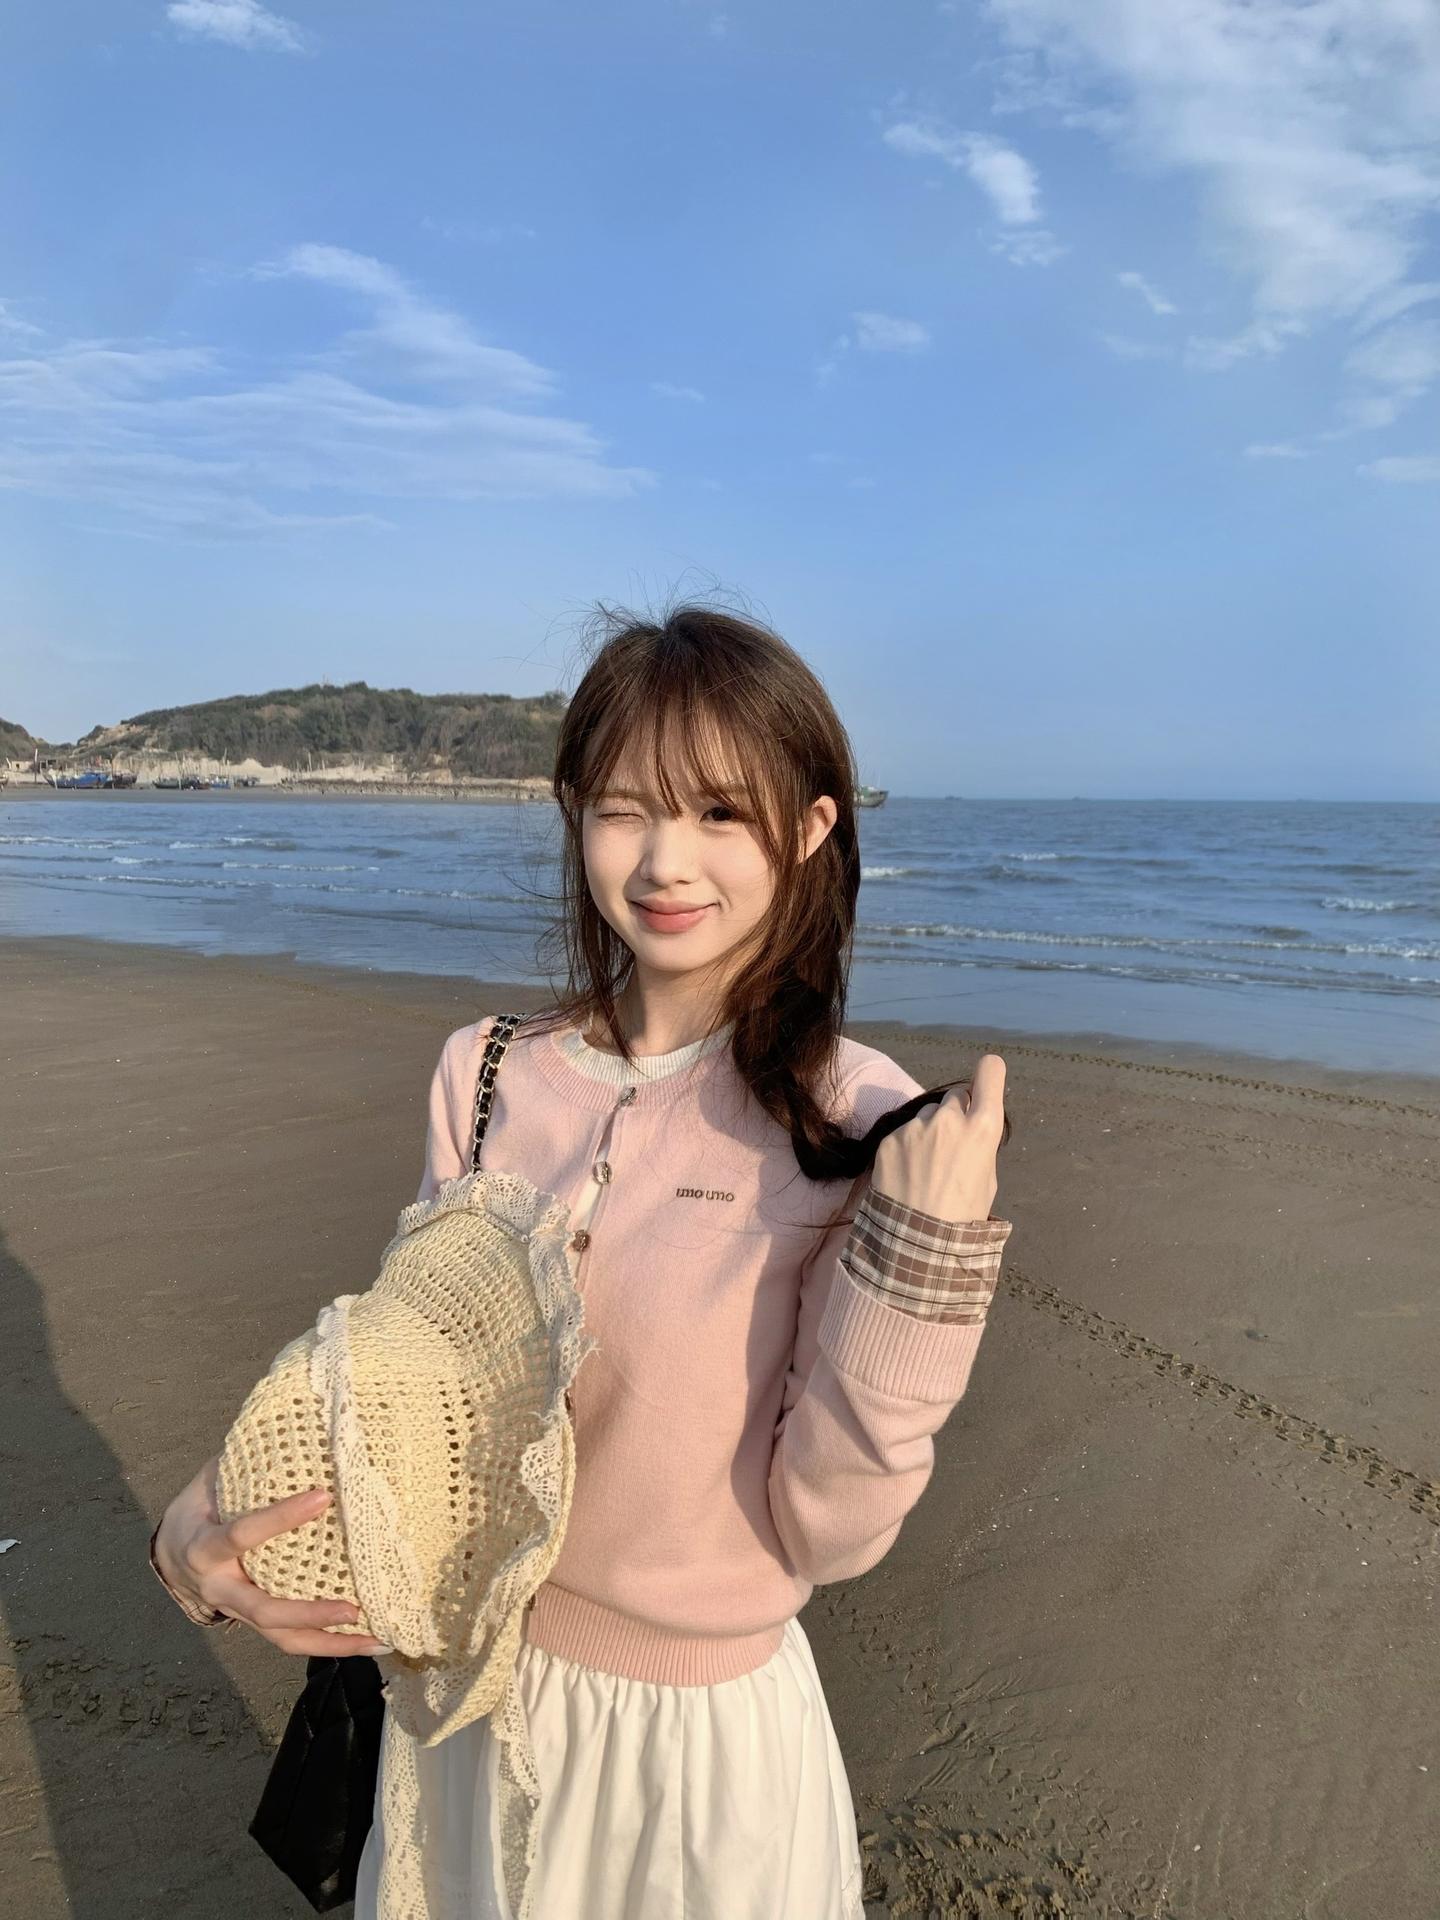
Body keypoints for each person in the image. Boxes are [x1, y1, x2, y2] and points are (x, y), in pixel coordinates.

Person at [151, 600, 1013, 1920]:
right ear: (574, 813)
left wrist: (921, 1269)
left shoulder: (855, 1122)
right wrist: (194, 1532)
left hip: (694, 1756)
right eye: (625, 809)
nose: (667, 861)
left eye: (721, 812)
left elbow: (830, 1530)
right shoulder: (488, 1073)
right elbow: (404, 1397)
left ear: (809, 830)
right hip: (461, 1705)